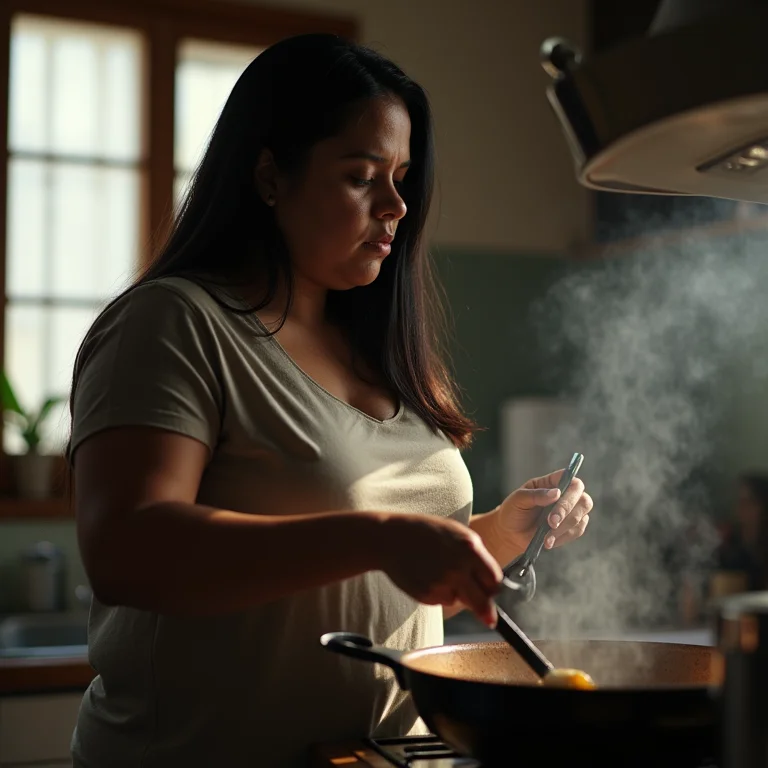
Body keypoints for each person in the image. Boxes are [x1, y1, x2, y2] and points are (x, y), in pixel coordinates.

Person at [67, 33, 594, 768]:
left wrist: (499, 535)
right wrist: (382, 536)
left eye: (403, 177)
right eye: (361, 176)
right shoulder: (174, 323)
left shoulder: (381, 348)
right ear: (270, 176)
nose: (396, 206)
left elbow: (374, 597)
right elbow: (130, 549)